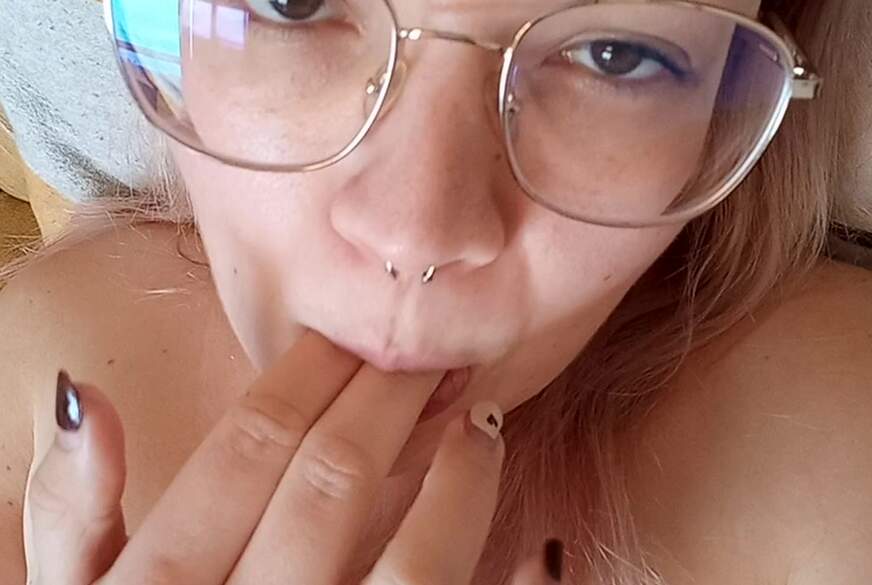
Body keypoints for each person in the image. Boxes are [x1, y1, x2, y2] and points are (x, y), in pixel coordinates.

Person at [1, 0, 871, 584]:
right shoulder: (33, 389)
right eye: (295, 4)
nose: (413, 233)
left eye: (616, 56)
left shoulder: (837, 461)